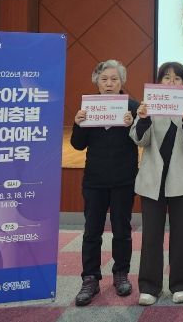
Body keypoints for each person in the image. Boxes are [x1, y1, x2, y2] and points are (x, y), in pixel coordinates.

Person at [131, 62, 183, 305]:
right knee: (151, 235)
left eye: (177, 78)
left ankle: (181, 285)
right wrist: (143, 120)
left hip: (181, 177)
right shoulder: (148, 104)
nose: (172, 82)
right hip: (153, 177)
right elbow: (139, 139)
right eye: (166, 77)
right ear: (159, 81)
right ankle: (149, 286)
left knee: (181, 234)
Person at [70, 60, 138, 306]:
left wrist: (134, 124)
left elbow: (142, 140)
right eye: (104, 79)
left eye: (114, 79)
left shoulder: (133, 107)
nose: (109, 84)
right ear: (96, 82)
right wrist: (78, 123)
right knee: (92, 232)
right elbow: (78, 144)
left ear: (122, 82)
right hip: (95, 180)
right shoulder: (88, 106)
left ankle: (121, 274)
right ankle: (90, 278)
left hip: (123, 179)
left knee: (122, 231)